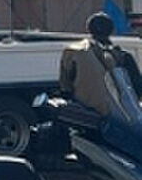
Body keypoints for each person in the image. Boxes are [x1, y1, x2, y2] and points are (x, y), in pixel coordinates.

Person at [58, 11, 142, 159]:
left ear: (88, 29)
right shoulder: (123, 56)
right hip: (122, 118)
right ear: (111, 30)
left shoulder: (73, 51)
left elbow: (65, 85)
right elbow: (138, 88)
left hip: (87, 115)